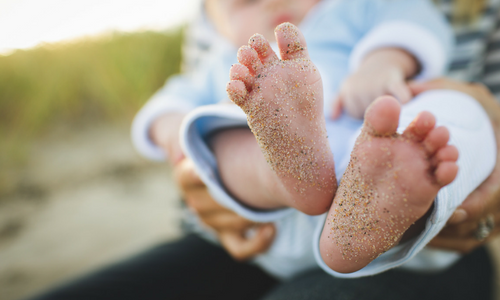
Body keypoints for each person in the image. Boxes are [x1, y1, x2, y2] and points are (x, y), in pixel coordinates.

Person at [27, 0, 500, 299]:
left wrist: (382, 62)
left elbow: (411, 18)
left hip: (411, 226)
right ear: (215, 17)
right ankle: (286, 171)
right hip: (268, 225)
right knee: (219, 129)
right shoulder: (225, 67)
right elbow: (163, 110)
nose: (273, 2)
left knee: (456, 105)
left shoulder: (350, 12)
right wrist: (177, 137)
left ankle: (390, 195)